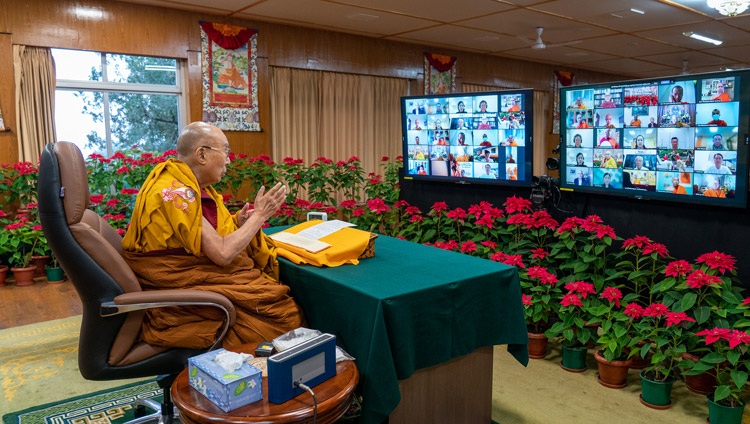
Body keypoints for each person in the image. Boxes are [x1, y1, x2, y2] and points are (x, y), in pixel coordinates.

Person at [121, 122, 305, 349]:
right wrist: (259, 216)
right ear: (202, 155)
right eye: (226, 151)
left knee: (269, 296)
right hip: (178, 296)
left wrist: (239, 222)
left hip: (192, 276)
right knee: (283, 315)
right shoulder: (176, 192)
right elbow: (222, 253)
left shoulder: (184, 184)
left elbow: (203, 234)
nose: (229, 160)